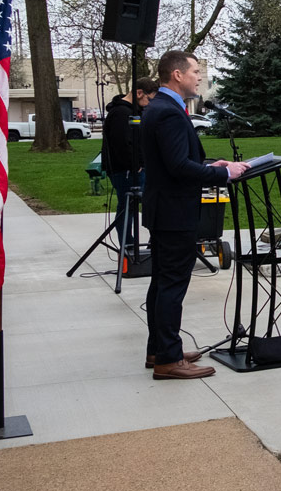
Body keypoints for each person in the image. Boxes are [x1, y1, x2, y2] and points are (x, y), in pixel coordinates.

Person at [141, 51, 247, 380]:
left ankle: (160, 349)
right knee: (171, 285)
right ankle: (168, 360)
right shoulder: (168, 112)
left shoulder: (159, 107)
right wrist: (224, 174)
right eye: (195, 71)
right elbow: (177, 168)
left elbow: (174, 161)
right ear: (177, 74)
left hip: (164, 210)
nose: (199, 77)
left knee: (162, 283)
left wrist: (209, 165)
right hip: (174, 213)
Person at [102, 77, 158, 251]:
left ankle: (136, 245)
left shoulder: (133, 111)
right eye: (149, 99)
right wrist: (135, 164)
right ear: (139, 93)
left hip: (134, 168)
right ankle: (128, 246)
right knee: (127, 208)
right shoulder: (121, 113)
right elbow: (122, 143)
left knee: (134, 206)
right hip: (126, 170)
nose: (149, 104)